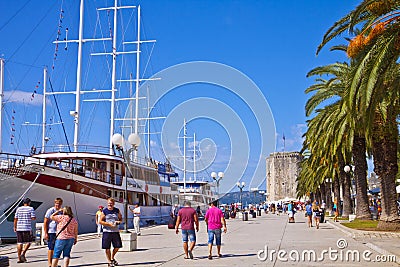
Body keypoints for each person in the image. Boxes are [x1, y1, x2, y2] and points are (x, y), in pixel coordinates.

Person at [100, 198, 123, 267]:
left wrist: (118, 222)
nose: (110, 204)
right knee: (107, 247)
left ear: (114, 204)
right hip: (107, 231)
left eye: (111, 203)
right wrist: (109, 224)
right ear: (107, 203)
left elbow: (120, 219)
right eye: (109, 203)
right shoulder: (104, 211)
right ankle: (109, 261)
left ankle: (112, 257)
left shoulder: (117, 210)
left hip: (115, 231)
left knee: (117, 246)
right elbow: (100, 221)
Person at [14, 197, 36, 263]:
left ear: (23, 203)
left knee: (19, 242)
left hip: (19, 227)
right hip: (27, 227)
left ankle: (19, 258)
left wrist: (15, 227)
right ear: (29, 203)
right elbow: (33, 218)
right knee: (29, 242)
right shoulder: (31, 208)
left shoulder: (18, 209)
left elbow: (15, 219)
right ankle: (23, 253)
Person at [44, 197, 63, 267]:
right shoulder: (51, 210)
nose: (57, 205)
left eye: (59, 204)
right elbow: (45, 221)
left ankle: (55, 263)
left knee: (57, 248)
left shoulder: (62, 211)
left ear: (61, 204)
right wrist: (46, 233)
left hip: (59, 232)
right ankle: (49, 263)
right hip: (51, 231)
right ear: (54, 203)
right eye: (56, 203)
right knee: (51, 247)